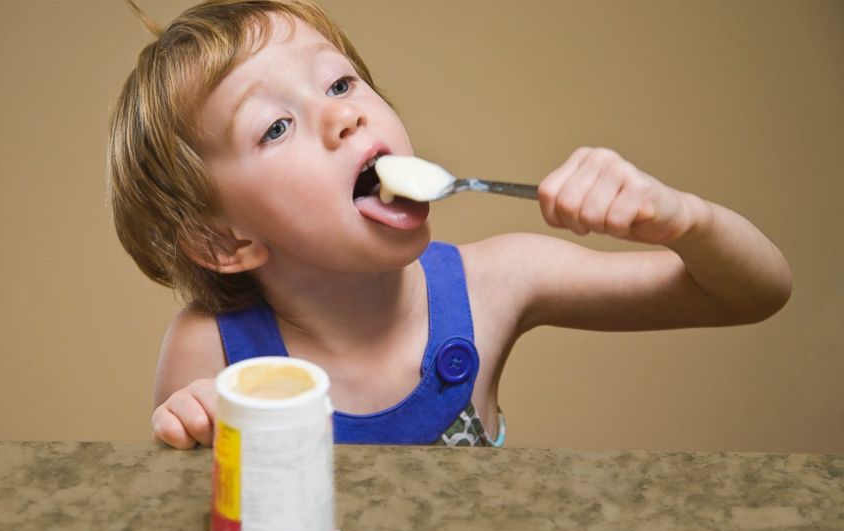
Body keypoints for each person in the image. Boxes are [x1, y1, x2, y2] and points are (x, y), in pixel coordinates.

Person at [106, 0, 792, 449]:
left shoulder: (497, 283)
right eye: (277, 126)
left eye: (341, 83)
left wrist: (683, 219)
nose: (342, 115)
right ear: (225, 240)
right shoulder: (212, 355)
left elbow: (753, 294)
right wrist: (191, 429)